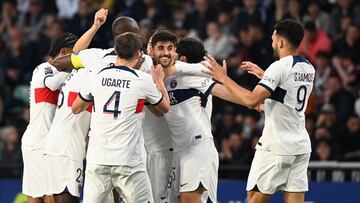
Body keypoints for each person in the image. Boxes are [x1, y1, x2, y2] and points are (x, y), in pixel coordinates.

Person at [202, 19, 314, 203]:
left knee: (253, 199)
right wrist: (264, 77)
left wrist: (223, 78)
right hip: (300, 146)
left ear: (280, 42)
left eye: (273, 39)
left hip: (276, 146)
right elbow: (285, 99)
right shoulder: (308, 68)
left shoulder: (278, 67)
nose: (272, 43)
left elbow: (250, 101)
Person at [71, 32, 170, 203]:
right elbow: (164, 108)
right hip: (129, 161)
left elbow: (76, 108)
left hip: (98, 158)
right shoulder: (143, 80)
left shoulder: (97, 75)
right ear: (139, 54)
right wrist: (159, 81)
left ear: (116, 50)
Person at [21, 32, 78, 203]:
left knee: (37, 195)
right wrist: (75, 68)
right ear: (63, 52)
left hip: (41, 141)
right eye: (73, 54)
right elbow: (52, 84)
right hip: (39, 142)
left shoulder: (58, 73)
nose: (75, 58)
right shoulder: (45, 68)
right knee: (49, 195)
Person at [43, 67, 92, 202]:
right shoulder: (91, 76)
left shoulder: (74, 74)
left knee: (52, 198)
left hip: (55, 145)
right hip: (67, 149)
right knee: (67, 198)